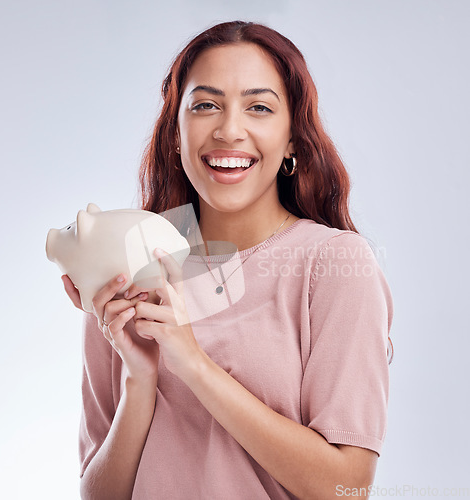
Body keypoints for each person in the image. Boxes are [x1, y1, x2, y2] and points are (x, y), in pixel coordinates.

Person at [62, 20, 393, 500]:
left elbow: (346, 488)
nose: (229, 129)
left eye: (259, 107)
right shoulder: (129, 265)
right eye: (205, 105)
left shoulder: (335, 264)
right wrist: (140, 378)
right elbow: (99, 495)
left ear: (294, 139)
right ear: (175, 134)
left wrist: (193, 364)